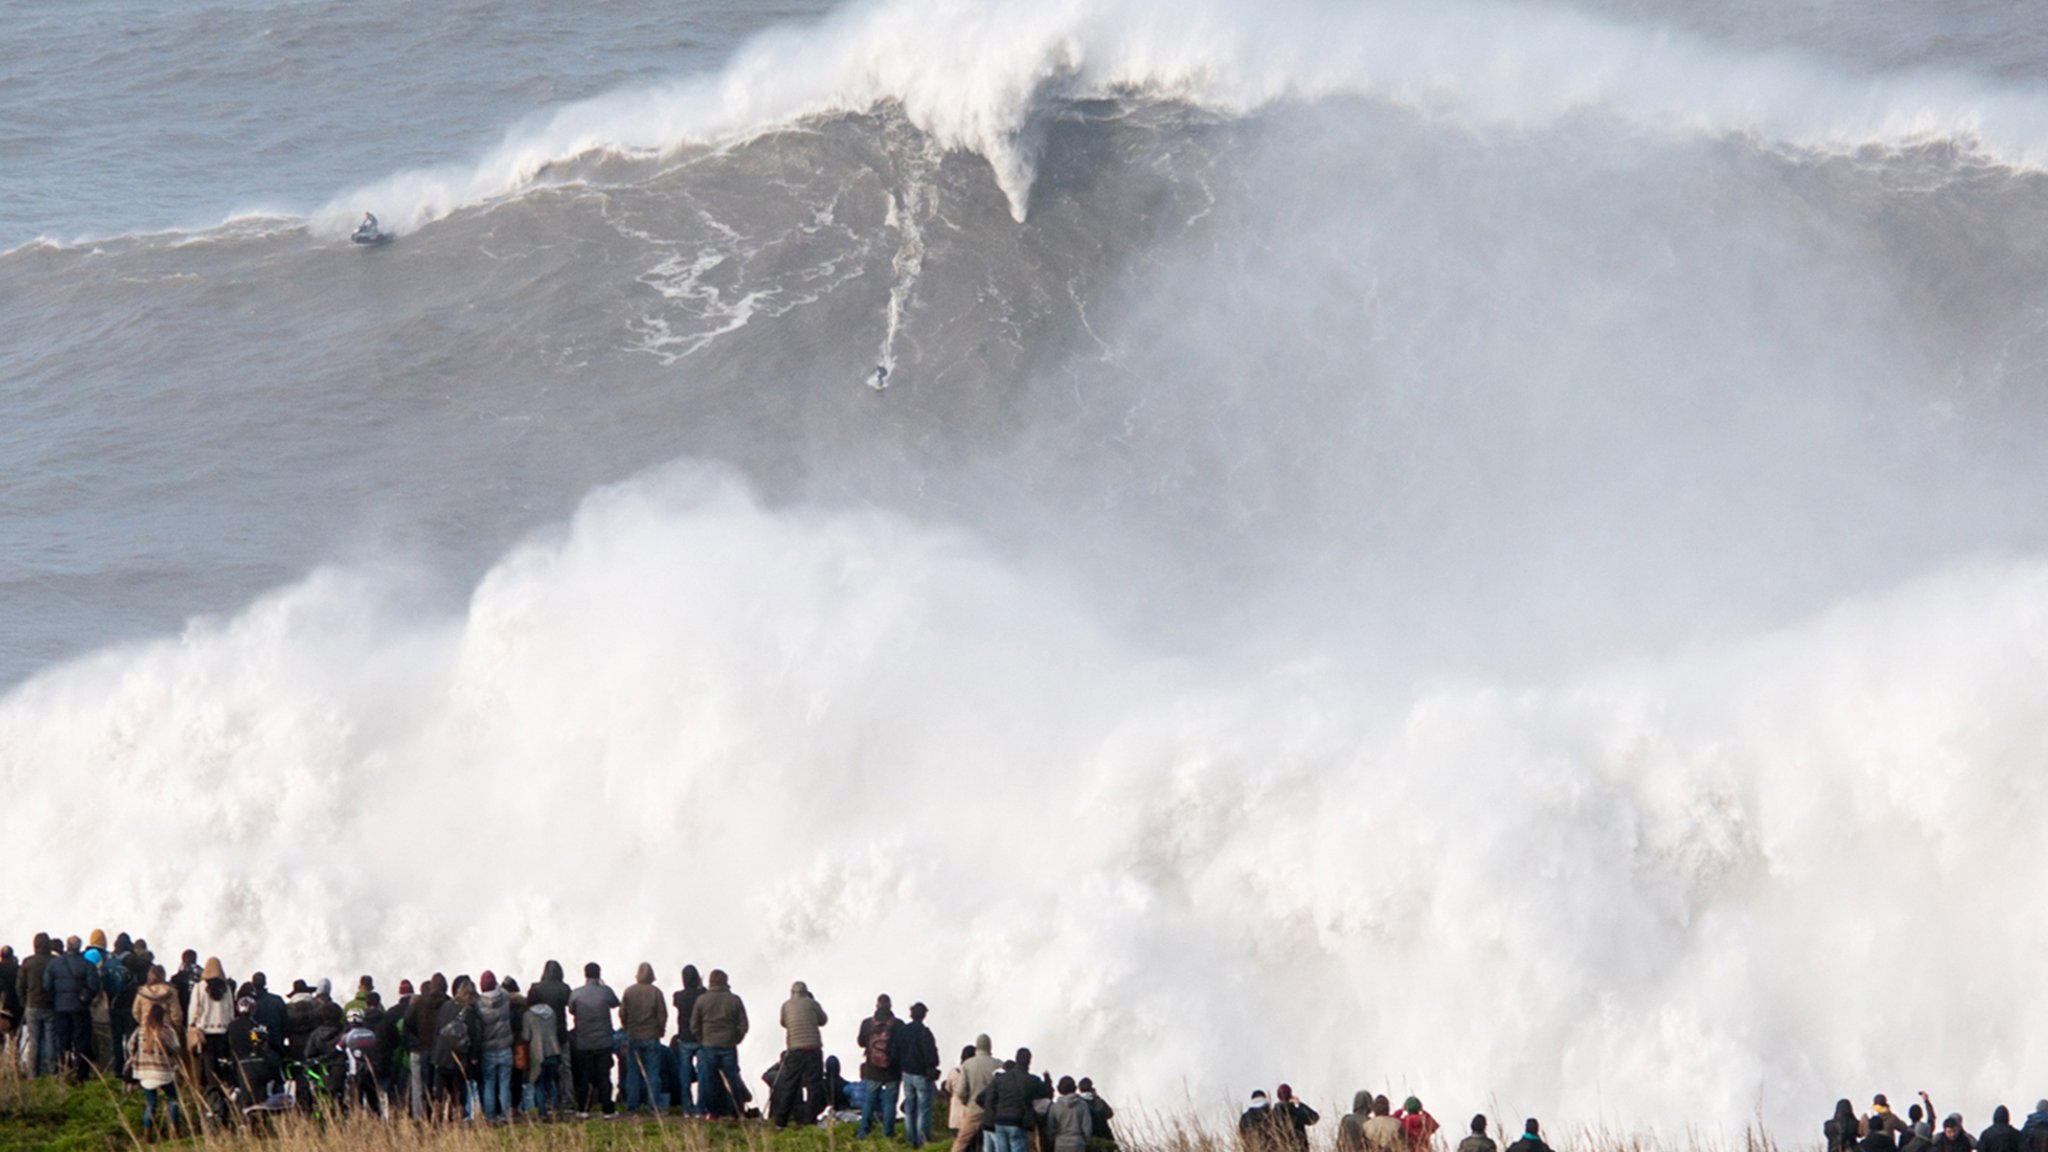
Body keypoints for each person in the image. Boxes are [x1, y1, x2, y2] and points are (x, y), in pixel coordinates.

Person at [691, 969, 749, 1118]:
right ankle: (736, 1111)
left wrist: (702, 1039)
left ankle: (713, 1112)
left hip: (709, 1044)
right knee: (733, 1078)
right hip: (728, 1045)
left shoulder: (702, 1000)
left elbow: (694, 1025)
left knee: (710, 1080)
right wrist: (736, 1038)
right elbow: (743, 1024)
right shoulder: (734, 999)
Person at [772, 980, 830, 1128]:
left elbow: (783, 1023)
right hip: (813, 1048)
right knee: (813, 1086)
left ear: (792, 993)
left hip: (794, 1049)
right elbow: (823, 1020)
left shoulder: (786, 1005)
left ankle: (781, 1121)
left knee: (790, 1084)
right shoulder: (812, 1003)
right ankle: (810, 1119)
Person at [568, 962, 620, 1115]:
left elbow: (571, 1010)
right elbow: (616, 1003)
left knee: (585, 1076)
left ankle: (583, 1109)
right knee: (604, 1076)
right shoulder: (605, 992)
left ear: (585, 975)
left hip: (584, 1042)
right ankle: (607, 1109)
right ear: (599, 974)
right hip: (604, 1041)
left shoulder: (576, 993)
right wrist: (603, 986)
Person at [44, 935, 99, 1080]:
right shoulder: (87, 965)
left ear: (67, 946)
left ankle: (64, 1070)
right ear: (79, 947)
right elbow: (94, 986)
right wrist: (86, 998)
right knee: (81, 1040)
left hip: (60, 1008)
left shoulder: (54, 964)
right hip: (80, 1008)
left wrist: (55, 999)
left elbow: (46, 985)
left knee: (63, 1040)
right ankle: (81, 1074)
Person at [128, 1000, 182, 1137]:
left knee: (151, 1104)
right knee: (173, 1099)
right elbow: (176, 1048)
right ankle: (175, 1131)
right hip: (164, 1072)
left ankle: (147, 1134)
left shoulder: (140, 1031)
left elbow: (130, 1046)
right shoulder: (167, 1031)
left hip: (145, 1073)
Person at [619, 962, 667, 1113]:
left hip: (633, 1035)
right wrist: (660, 1030)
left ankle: (632, 1106)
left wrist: (627, 1028)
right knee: (653, 1073)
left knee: (633, 1072)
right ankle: (653, 1106)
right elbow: (662, 1015)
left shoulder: (629, 991)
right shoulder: (656, 992)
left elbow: (623, 1013)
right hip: (652, 1036)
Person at [979, 1050, 1050, 1152]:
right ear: (1029, 1061)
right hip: (1017, 1122)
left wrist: (993, 1115)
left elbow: (989, 1098)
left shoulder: (1001, 1079)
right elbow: (1047, 1092)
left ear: (1016, 1059)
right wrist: (1047, 1078)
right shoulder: (1031, 1080)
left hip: (1000, 1122)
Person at [893, 1002, 942, 1148]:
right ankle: (922, 1140)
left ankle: (911, 1138)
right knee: (923, 1108)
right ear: (924, 1015)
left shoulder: (903, 1031)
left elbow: (895, 1052)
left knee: (910, 1105)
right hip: (921, 1075)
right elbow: (932, 1056)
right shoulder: (924, 1032)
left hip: (906, 1074)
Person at [529, 962, 574, 1116]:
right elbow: (573, 1007)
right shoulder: (564, 988)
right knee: (565, 1068)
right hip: (560, 1034)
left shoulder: (535, 988)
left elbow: (529, 1010)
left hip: (541, 1037)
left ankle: (547, 1102)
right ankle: (567, 1100)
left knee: (543, 1070)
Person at [857, 994, 904, 1139]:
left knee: (870, 1101)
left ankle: (864, 1132)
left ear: (876, 1006)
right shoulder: (898, 1024)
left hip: (872, 1068)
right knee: (890, 1103)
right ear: (890, 1006)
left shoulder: (867, 1023)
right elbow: (902, 1045)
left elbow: (860, 1042)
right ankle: (888, 1134)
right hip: (892, 1069)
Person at [476, 971, 516, 1122]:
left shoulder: (479, 1004)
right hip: (505, 1047)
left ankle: (491, 1117)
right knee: (505, 1083)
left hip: (488, 1049)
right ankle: (506, 1115)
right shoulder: (504, 998)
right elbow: (503, 989)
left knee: (489, 1083)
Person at [952, 1034, 1001, 1152]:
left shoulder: (968, 1064)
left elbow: (960, 1091)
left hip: (973, 1109)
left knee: (961, 1141)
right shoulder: (999, 1064)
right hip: (994, 1111)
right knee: (996, 1144)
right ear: (990, 1047)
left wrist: (967, 1102)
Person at [18, 934, 55, 1077]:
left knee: (34, 1041)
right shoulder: (53, 961)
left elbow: (20, 986)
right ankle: (51, 1072)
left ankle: (32, 1074)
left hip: (32, 1005)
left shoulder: (27, 962)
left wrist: (24, 1002)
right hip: (50, 1006)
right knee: (50, 1041)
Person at [672, 966, 707, 1116]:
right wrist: (701, 986)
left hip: (684, 1038)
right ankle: (701, 1108)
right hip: (701, 1038)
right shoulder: (703, 994)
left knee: (684, 1075)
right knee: (703, 1074)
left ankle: (687, 1107)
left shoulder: (679, 996)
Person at [523, 991, 563, 1117]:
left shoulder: (528, 1015)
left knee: (539, 1084)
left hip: (538, 1053)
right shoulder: (551, 1012)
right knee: (551, 1082)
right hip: (554, 1050)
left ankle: (543, 1113)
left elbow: (526, 1036)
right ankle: (556, 1109)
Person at [1049, 1076, 1094, 1152]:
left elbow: (1050, 1129)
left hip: (1060, 1143)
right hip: (1078, 1143)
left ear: (1059, 1089)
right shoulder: (1083, 1105)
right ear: (1075, 1088)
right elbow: (1087, 1128)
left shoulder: (1054, 1107)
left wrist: (1053, 1139)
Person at [1275, 1085, 1321, 1152]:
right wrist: (1300, 1104)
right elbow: (1314, 1117)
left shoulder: (1273, 1113)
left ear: (1278, 1096)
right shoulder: (1297, 1111)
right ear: (1290, 1095)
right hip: (1299, 1148)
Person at [1079, 1078, 1118, 1147]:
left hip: (1087, 1140)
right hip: (1104, 1137)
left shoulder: (1078, 1103)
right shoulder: (1098, 1101)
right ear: (1091, 1088)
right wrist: (1096, 1096)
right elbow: (1110, 1113)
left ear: (1079, 1089)